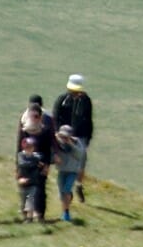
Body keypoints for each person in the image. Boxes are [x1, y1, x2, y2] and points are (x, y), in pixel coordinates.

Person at [14, 95, 52, 224]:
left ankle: (40, 215)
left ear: (40, 117)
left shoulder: (46, 130)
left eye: (36, 116)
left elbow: (48, 149)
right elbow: (19, 146)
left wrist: (46, 165)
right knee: (25, 189)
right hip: (26, 164)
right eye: (31, 115)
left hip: (40, 163)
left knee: (40, 189)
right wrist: (18, 167)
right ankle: (27, 216)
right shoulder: (25, 129)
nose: (33, 118)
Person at [51, 117, 89, 225]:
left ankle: (66, 214)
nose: (64, 138)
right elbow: (52, 151)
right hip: (62, 170)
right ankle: (66, 203)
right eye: (63, 136)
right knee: (61, 193)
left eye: (66, 136)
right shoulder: (57, 143)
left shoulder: (77, 143)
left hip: (72, 171)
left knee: (66, 190)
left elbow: (80, 155)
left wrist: (70, 144)